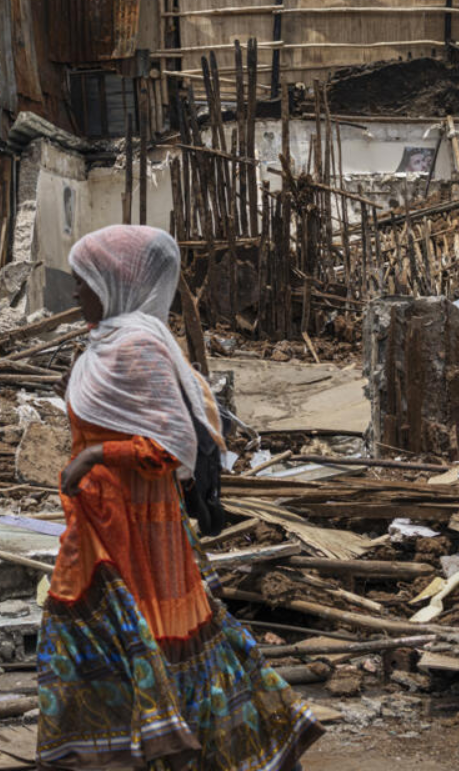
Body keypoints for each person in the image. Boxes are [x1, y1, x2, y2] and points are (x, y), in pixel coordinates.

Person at [37, 225, 321, 771]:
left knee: (140, 629)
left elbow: (171, 446)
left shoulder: (139, 346)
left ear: (115, 282)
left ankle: (175, 748)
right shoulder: (105, 343)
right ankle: (114, 753)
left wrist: (95, 456)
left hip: (139, 527)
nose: (74, 293)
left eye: (83, 281)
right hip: (96, 521)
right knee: (92, 627)